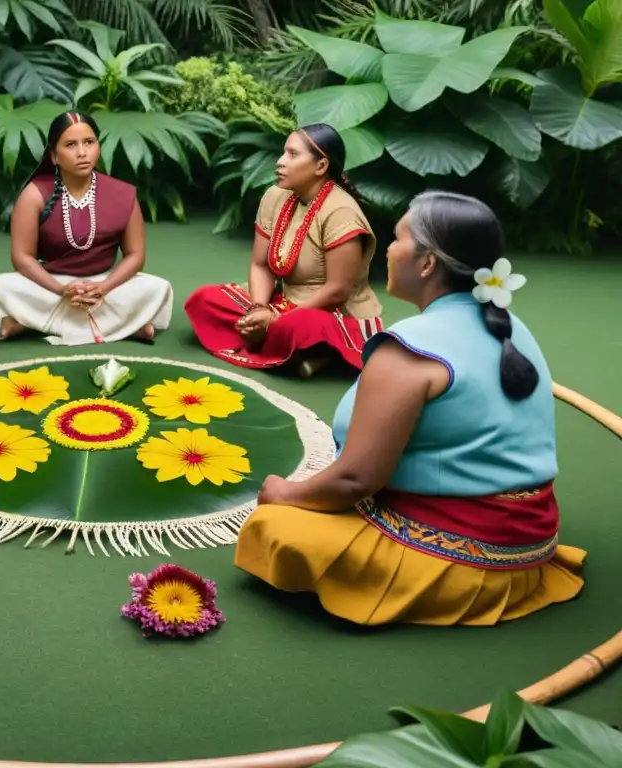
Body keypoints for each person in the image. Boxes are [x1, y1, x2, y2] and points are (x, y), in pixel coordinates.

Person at [234, 191, 585, 627]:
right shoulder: (510, 324)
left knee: (274, 529)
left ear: (427, 263)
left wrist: (283, 495)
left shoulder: (410, 349)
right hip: (532, 540)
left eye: (398, 238)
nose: (388, 249)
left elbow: (355, 479)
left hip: (467, 557)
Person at [184, 123, 383, 378]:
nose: (280, 162)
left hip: (327, 311)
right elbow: (260, 264)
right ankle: (299, 354)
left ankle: (308, 348)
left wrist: (275, 320)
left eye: (292, 154)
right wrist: (258, 308)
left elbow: (337, 290)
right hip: (278, 301)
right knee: (206, 299)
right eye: (283, 152)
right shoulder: (275, 196)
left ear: (321, 166)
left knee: (298, 327)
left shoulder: (340, 212)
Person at [0, 111, 173, 346]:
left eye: (89, 143)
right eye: (71, 145)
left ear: (98, 147)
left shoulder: (123, 193)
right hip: (51, 284)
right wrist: (62, 290)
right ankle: (126, 326)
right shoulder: (34, 194)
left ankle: (29, 324)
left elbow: (136, 256)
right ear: (54, 156)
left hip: (104, 284)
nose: (82, 153)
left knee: (158, 287)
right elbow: (22, 258)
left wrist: (103, 287)